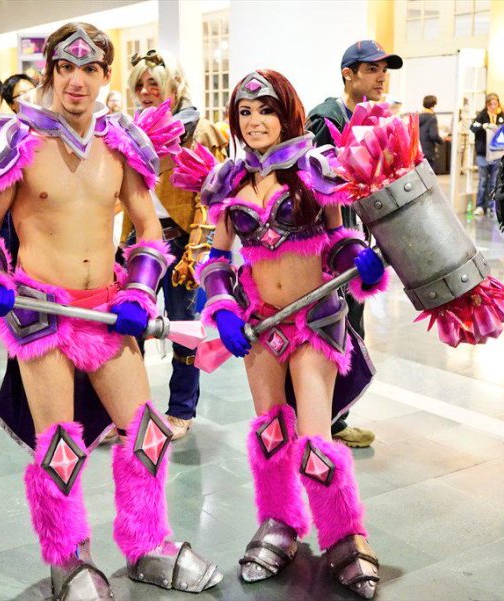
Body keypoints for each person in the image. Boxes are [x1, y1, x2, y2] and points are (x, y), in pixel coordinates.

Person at [0, 23, 221, 598]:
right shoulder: (16, 140)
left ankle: (148, 543)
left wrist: (140, 291)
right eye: (68, 67)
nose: (78, 80)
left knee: (146, 433)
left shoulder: (122, 142)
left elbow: (147, 226)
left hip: (108, 310)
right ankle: (70, 557)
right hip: (40, 313)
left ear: (104, 75)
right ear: (51, 72)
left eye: (91, 69)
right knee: (60, 444)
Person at [181, 70, 387, 598]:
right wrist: (223, 306)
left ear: (287, 114)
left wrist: (357, 260)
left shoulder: (314, 168)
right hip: (259, 322)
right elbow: (213, 255)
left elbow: (339, 238)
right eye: (244, 113)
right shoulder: (228, 180)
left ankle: (344, 534)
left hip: (314, 318)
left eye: (265, 111)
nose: (254, 123)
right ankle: (281, 521)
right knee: (271, 431)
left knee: (316, 438)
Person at [124, 48, 227, 439]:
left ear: (173, 85)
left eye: (154, 84)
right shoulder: (131, 130)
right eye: (140, 85)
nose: (147, 92)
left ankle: (181, 409)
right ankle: (130, 408)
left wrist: (197, 251)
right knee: (130, 324)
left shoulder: (197, 130)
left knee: (184, 327)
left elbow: (210, 196)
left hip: (184, 239)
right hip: (140, 240)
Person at [304, 39, 403, 449]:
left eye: (385, 69)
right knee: (329, 331)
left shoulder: (376, 120)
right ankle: (317, 424)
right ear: (349, 73)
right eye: (372, 69)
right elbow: (308, 183)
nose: (382, 76)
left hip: (356, 244)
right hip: (329, 248)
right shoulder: (325, 118)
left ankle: (334, 420)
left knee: (351, 329)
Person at [470, 93, 504, 217]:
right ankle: (480, 206)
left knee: (494, 182)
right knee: (482, 181)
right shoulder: (481, 116)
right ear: (487, 104)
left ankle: (491, 206)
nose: (493, 106)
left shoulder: (502, 116)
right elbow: (473, 127)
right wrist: (483, 126)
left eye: (495, 103)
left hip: (497, 154)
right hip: (483, 154)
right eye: (490, 104)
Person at [419, 95, 443, 163]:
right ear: (433, 105)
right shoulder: (432, 117)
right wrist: (441, 141)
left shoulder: (418, 117)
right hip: (428, 150)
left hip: (418, 150)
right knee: (429, 172)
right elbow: (434, 135)